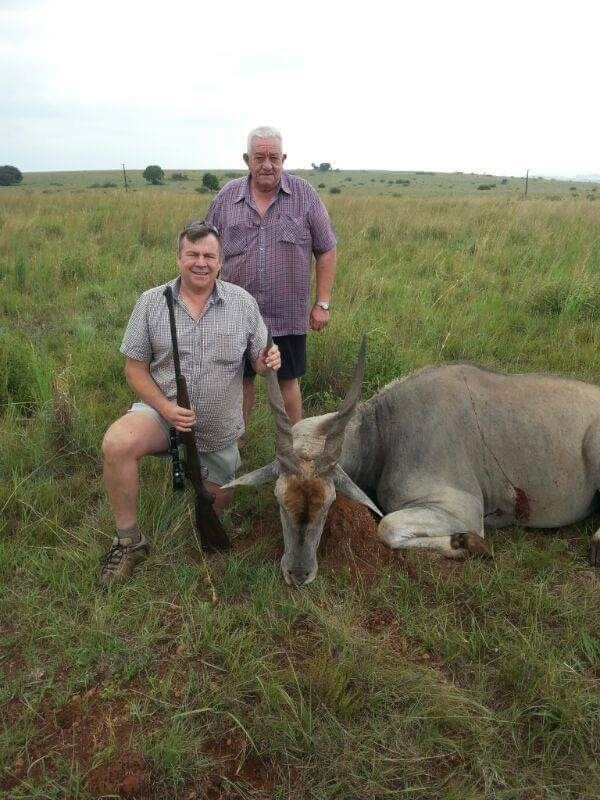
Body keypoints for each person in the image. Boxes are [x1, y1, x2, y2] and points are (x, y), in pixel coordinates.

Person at [100, 221, 281, 587]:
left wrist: (268, 361)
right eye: (193, 254)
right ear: (178, 258)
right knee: (116, 443)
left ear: (221, 261)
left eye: (209, 256)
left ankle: (203, 490)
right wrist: (166, 409)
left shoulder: (242, 303)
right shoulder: (152, 302)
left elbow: (260, 362)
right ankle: (129, 542)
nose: (201, 263)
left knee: (213, 508)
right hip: (162, 414)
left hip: (218, 428)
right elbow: (134, 369)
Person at [206, 125, 337, 426]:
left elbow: (327, 249)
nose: (267, 165)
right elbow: (207, 249)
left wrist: (322, 304)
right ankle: (235, 443)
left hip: (286, 314)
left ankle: (293, 445)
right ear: (247, 160)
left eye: (274, 158)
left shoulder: (304, 195)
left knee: (288, 381)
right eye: (259, 157)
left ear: (283, 159)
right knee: (240, 381)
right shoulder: (226, 198)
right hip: (235, 314)